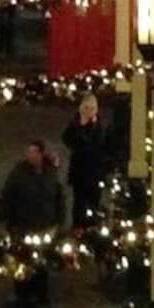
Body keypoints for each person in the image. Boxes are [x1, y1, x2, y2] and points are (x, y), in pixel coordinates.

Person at [60, 94, 113, 233]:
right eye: (86, 108)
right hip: (80, 172)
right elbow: (68, 141)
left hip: (95, 172)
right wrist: (81, 127)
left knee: (94, 202)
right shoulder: (75, 124)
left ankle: (92, 228)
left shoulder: (99, 125)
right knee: (79, 203)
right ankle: (78, 229)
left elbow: (102, 145)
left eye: (92, 108)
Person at [0, 139, 67, 244]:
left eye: (34, 152)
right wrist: (5, 218)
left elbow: (59, 198)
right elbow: (7, 195)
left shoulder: (50, 174)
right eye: (29, 152)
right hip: (23, 225)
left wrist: (60, 221)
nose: (31, 155)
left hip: (46, 225)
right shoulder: (18, 173)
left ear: (41, 154)